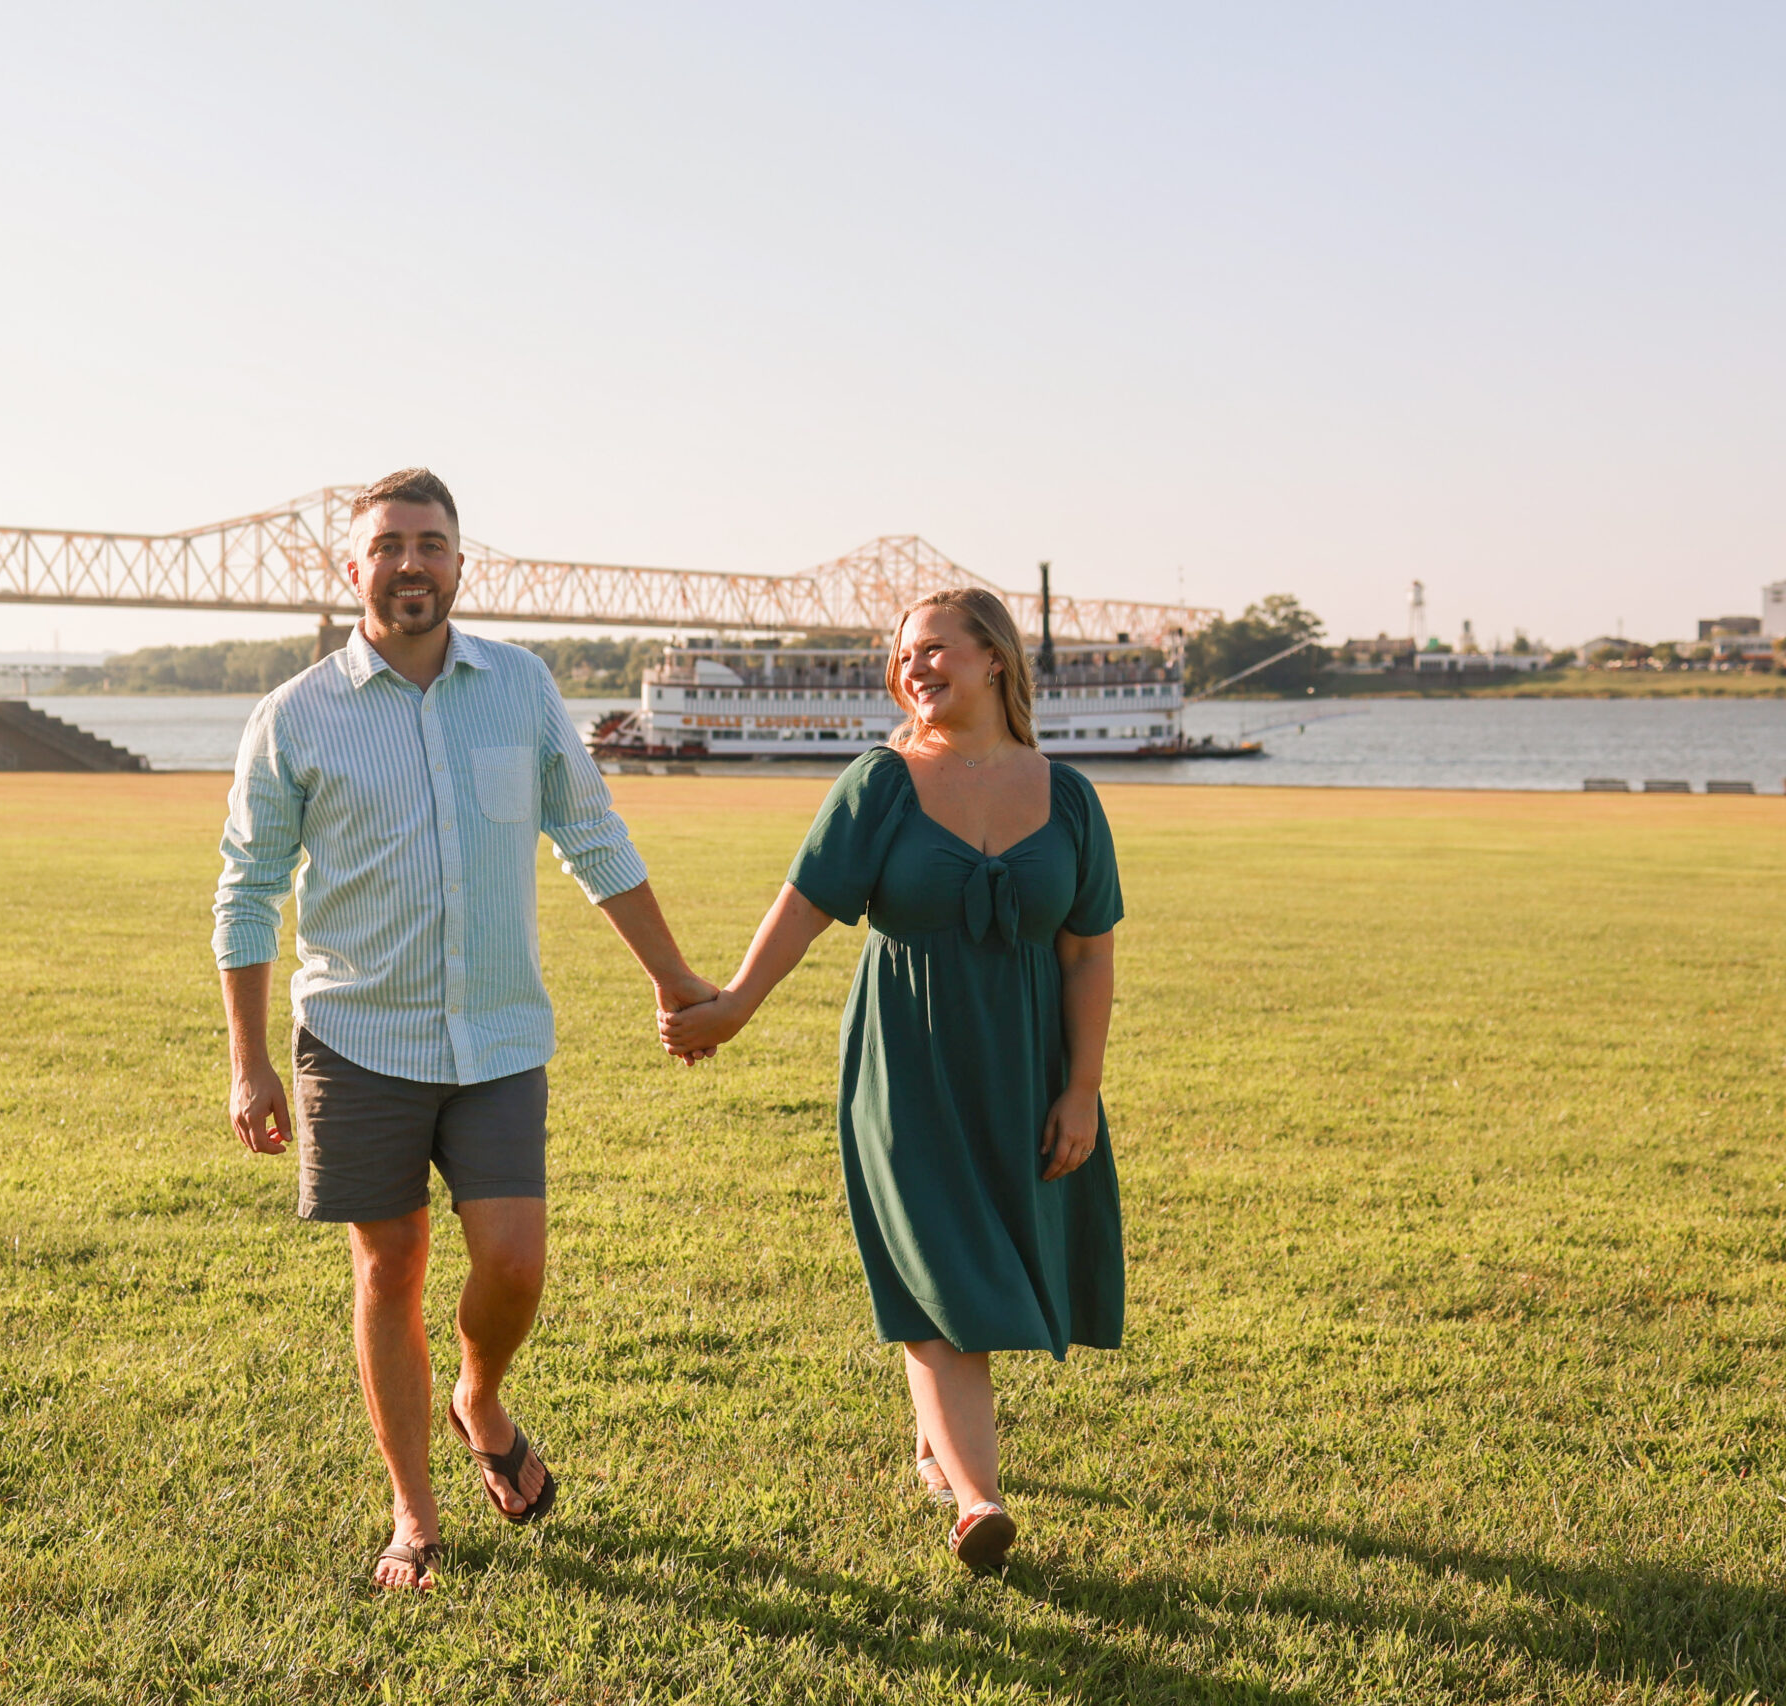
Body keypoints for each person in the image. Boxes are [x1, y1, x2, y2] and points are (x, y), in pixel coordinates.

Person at [215, 468, 715, 1592]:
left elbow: (590, 836)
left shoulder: (521, 688)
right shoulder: (293, 715)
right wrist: (250, 1061)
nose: (410, 562)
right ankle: (414, 1512)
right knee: (389, 1266)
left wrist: (677, 978)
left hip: (497, 1038)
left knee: (514, 1259)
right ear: (353, 569)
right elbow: (247, 891)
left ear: (458, 563)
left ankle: (478, 1394)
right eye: (387, 543)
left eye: (431, 543)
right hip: (355, 1037)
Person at [660, 587, 1124, 1575]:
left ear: (994, 657)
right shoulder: (879, 782)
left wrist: (1080, 1088)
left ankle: (933, 1443)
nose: (915, 666)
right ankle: (976, 1499)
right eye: (904, 653)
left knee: (980, 1262)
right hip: (905, 1065)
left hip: (1023, 1067)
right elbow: (805, 902)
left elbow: (1088, 955)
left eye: (936, 649)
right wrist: (734, 1002)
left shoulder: (1070, 794)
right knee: (944, 1268)